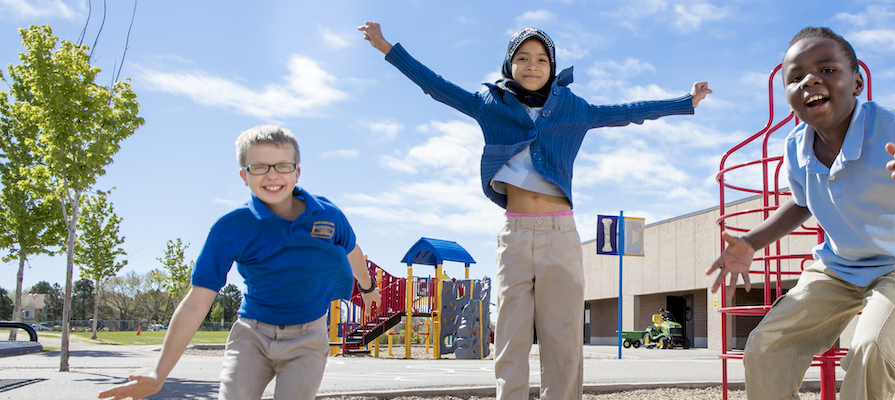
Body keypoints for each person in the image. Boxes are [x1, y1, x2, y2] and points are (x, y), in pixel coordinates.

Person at [358, 22, 710, 400]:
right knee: (510, 334)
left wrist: (684, 102)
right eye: (522, 58)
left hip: (560, 235)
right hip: (514, 234)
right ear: (509, 64)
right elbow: (437, 86)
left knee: (563, 336)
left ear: (552, 67)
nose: (532, 65)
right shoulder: (489, 104)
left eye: (542, 59)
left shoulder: (573, 110)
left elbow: (627, 111)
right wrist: (385, 47)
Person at [705, 27, 895, 400]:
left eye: (828, 69)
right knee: (765, 345)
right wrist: (752, 242)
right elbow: (801, 203)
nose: (811, 80)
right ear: (787, 97)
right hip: (838, 266)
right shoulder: (796, 148)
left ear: (857, 82)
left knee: (872, 349)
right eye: (796, 77)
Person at [98, 125, 381, 400]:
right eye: (259, 167)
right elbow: (197, 302)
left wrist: (368, 290)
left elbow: (352, 251)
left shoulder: (328, 215)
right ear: (244, 175)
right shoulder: (230, 229)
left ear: (297, 172)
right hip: (252, 335)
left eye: (282, 165)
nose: (272, 175)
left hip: (308, 338)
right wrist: (159, 374)